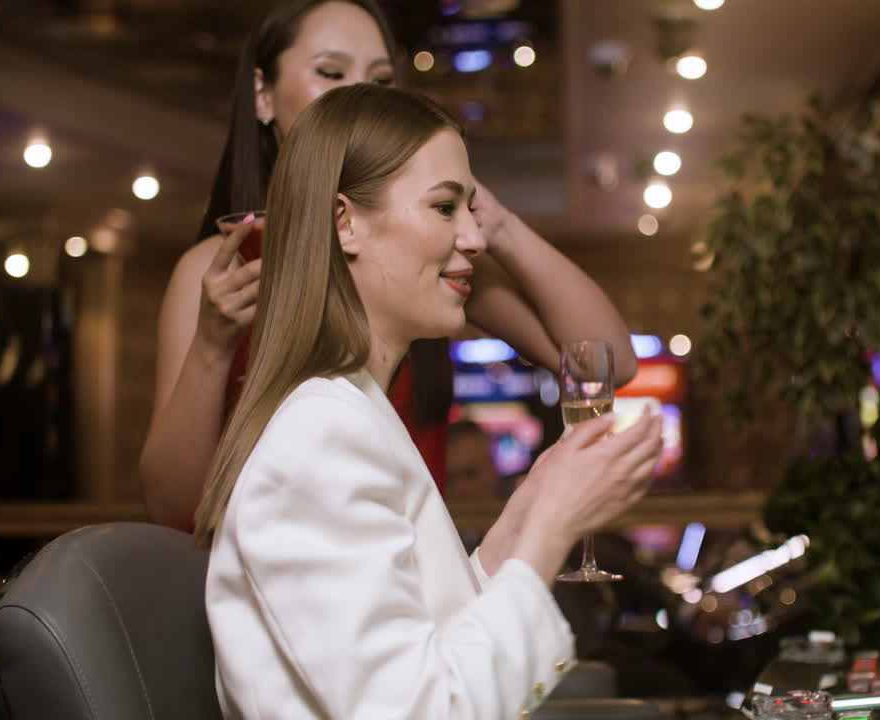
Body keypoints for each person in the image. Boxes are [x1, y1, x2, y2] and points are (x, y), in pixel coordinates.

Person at [198, 84, 663, 719]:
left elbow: (430, 637)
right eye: (446, 208)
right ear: (346, 222)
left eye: (471, 210)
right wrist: (552, 526)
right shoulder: (320, 431)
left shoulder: (355, 408)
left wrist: (521, 518)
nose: (474, 237)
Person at [140, 0, 637, 531]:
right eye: (331, 72)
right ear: (263, 95)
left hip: (417, 570)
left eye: (380, 80)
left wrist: (496, 224)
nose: (360, 94)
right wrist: (212, 347)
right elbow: (173, 508)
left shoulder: (431, 250)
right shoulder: (219, 271)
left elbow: (605, 364)